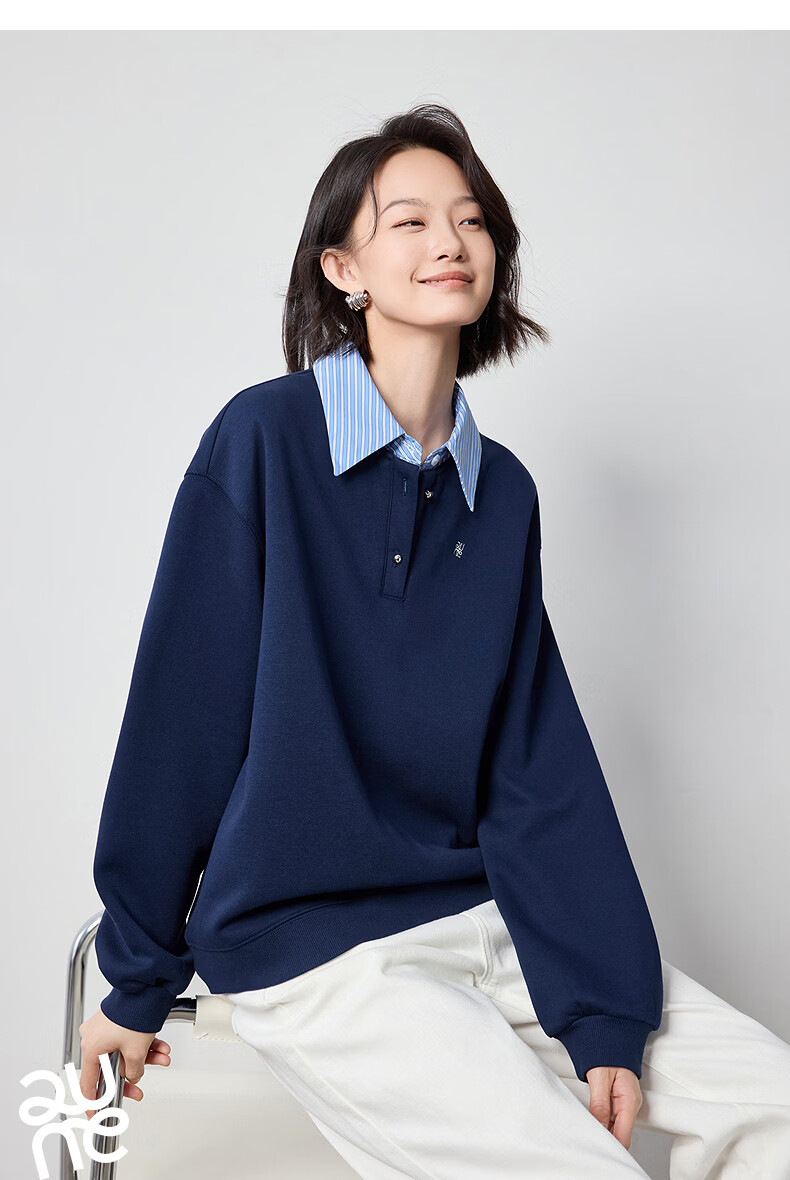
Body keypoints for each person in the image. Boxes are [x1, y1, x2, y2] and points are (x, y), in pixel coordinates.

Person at [79, 103, 790, 1177]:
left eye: (470, 219)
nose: (449, 241)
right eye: (407, 221)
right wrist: (136, 977)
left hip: (484, 917)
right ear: (343, 269)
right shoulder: (264, 439)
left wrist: (601, 1010)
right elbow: (183, 718)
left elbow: (532, 763)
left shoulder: (502, 494)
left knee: (773, 1106)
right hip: (317, 948)